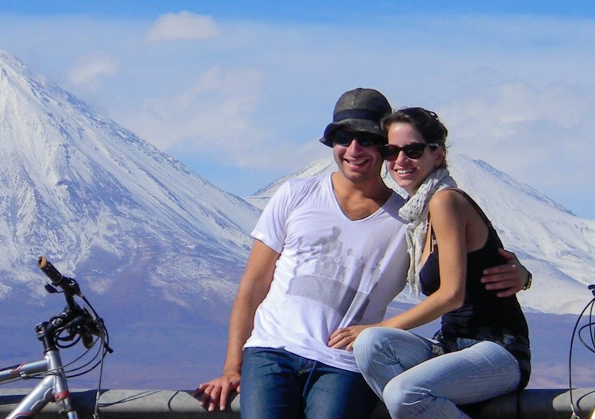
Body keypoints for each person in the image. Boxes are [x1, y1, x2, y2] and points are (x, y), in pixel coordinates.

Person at [194, 89, 531, 418]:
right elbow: (253, 285)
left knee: (396, 382)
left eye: (370, 140)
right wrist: (231, 367)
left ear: (436, 154)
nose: (399, 160)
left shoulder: (415, 216)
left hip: (365, 360)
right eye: (344, 136)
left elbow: (461, 280)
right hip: (277, 352)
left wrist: (522, 274)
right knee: (376, 350)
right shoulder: (406, 215)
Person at [329, 107, 531, 418]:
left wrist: (378, 325)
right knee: (371, 345)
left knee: (403, 392)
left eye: (412, 150)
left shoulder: (445, 200)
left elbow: (452, 295)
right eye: (391, 151)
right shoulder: (416, 217)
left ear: (437, 155)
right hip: (450, 347)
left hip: (499, 351)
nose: (400, 161)